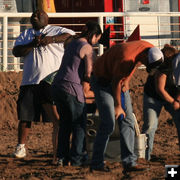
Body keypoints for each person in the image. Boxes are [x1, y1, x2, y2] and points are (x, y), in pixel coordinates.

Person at [90, 40, 164, 173]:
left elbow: (136, 62)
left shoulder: (149, 49)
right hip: (102, 80)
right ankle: (96, 163)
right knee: (109, 123)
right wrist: (118, 106)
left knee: (128, 121)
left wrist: (128, 80)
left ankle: (129, 162)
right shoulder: (126, 59)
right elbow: (115, 83)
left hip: (117, 79)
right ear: (146, 57)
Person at [12, 9, 75, 158]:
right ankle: (21, 147)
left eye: (39, 14)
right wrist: (32, 44)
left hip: (52, 82)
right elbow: (16, 51)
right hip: (30, 81)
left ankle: (60, 149)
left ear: (47, 18)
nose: (35, 16)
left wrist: (51, 40)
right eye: (33, 15)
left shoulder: (56, 30)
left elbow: (71, 36)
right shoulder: (25, 34)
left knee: (58, 118)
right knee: (25, 116)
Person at [52, 21, 102, 166]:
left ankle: (62, 158)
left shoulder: (72, 44)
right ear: (94, 35)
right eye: (97, 39)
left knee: (65, 124)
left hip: (57, 86)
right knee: (79, 125)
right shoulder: (87, 47)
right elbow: (88, 73)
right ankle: (76, 158)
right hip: (71, 88)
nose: (96, 42)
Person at [142, 44, 180, 161]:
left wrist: (177, 100)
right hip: (153, 96)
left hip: (172, 96)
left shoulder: (177, 65)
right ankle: (145, 157)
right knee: (150, 125)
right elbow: (160, 89)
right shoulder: (164, 67)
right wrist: (174, 102)